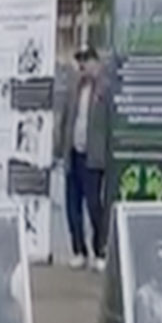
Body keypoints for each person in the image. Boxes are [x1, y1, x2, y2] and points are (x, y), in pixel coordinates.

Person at [54, 46, 112, 269]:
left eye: (87, 61)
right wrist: (60, 149)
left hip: (93, 157)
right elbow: (66, 118)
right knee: (72, 205)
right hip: (74, 154)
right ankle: (78, 250)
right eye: (81, 61)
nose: (83, 66)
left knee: (94, 205)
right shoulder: (74, 88)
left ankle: (100, 250)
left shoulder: (105, 89)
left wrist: (106, 155)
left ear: (96, 62)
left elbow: (109, 125)